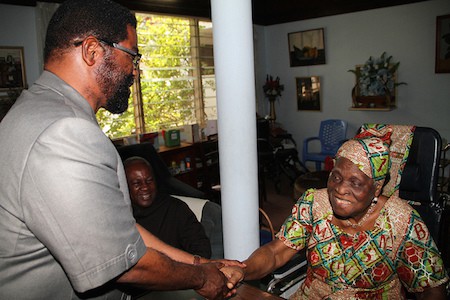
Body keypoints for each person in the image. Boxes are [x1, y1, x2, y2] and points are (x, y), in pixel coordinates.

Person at [0, 0, 242, 299]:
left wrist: (202, 262)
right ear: (92, 51)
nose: (135, 72)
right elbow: (124, 264)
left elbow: (117, 233)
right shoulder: (64, 132)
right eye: (132, 56)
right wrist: (201, 277)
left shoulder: (31, 110)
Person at [229, 130, 449, 299]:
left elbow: (432, 288)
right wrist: (243, 270)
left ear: (376, 188)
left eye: (356, 182)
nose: (340, 189)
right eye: (335, 177)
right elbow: (276, 252)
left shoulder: (401, 219)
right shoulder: (314, 203)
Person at [124, 156, 212, 259]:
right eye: (136, 183)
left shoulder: (176, 209)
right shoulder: (121, 217)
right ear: (125, 187)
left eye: (149, 181)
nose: (145, 187)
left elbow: (202, 250)